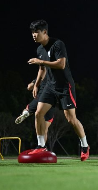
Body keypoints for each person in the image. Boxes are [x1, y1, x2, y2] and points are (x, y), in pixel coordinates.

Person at [27, 20, 89, 161]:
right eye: (32, 33)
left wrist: (40, 62)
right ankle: (40, 145)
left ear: (45, 32)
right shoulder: (39, 50)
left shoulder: (57, 44)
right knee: (38, 113)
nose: (34, 35)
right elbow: (42, 69)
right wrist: (36, 85)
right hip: (50, 86)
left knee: (71, 119)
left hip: (64, 86)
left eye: (36, 32)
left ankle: (85, 146)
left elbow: (61, 64)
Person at [15, 74, 55, 144]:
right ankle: (42, 148)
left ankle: (26, 113)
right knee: (45, 129)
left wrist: (33, 85)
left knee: (28, 109)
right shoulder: (55, 75)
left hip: (40, 98)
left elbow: (29, 87)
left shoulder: (42, 74)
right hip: (51, 102)